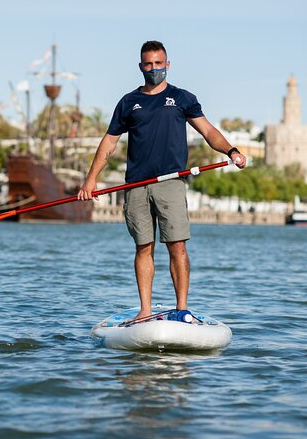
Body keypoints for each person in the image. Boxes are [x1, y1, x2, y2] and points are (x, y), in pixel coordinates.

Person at [77, 40, 246, 322]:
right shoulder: (128, 102)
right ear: (140, 66)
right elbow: (109, 143)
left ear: (168, 65)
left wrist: (231, 150)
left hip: (170, 183)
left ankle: (182, 308)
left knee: (177, 245)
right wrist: (90, 180)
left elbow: (208, 131)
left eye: (159, 64)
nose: (153, 69)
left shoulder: (182, 98)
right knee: (144, 246)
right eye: (148, 64)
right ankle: (145, 311)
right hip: (135, 186)